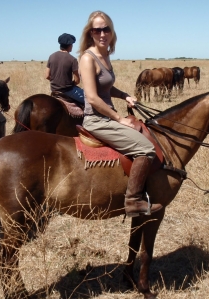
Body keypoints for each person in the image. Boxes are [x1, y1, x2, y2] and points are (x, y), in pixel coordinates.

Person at [79, 11, 162, 217]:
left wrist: (124, 95)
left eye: (106, 28)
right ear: (90, 33)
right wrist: (118, 118)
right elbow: (92, 97)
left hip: (107, 115)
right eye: (97, 29)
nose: (102, 33)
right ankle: (133, 201)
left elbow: (105, 89)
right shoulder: (87, 59)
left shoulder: (105, 55)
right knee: (146, 148)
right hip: (96, 120)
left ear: (112, 31)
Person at [45, 33, 84, 104]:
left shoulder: (51, 56)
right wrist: (69, 84)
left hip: (53, 90)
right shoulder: (72, 59)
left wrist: (56, 82)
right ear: (70, 45)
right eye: (72, 44)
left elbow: (47, 76)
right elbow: (77, 80)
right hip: (67, 90)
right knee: (89, 100)